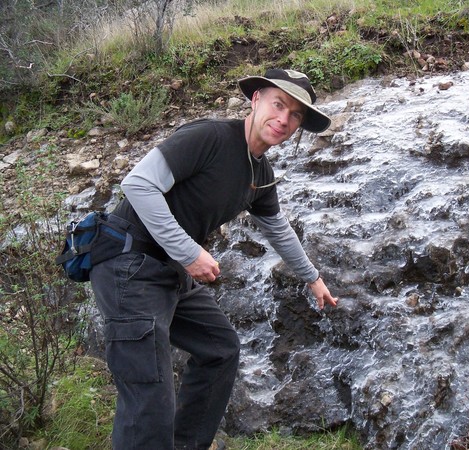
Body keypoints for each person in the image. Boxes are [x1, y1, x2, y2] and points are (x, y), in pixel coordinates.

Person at [89, 68, 338, 450]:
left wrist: (313, 277)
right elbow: (138, 183)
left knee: (220, 348)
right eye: (278, 104)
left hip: (168, 272)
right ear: (256, 100)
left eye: (295, 116)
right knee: (149, 394)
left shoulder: (261, 172)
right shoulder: (209, 137)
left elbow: (277, 229)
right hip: (129, 265)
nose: (284, 119)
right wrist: (189, 253)